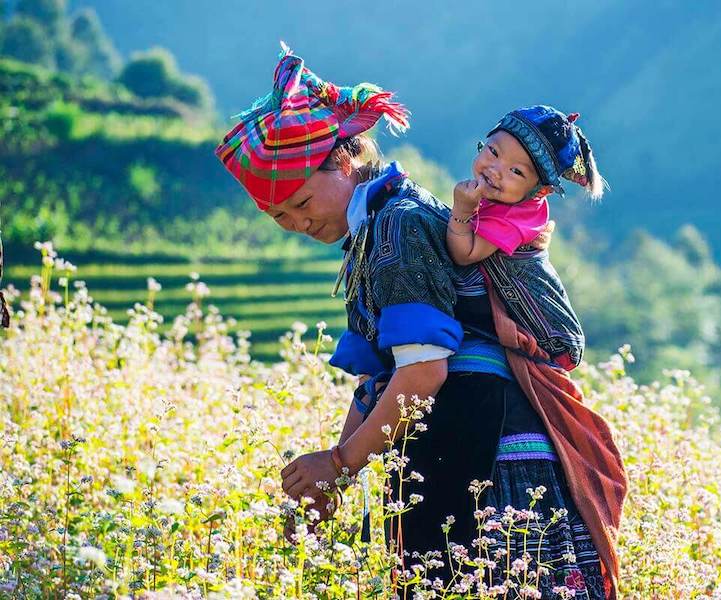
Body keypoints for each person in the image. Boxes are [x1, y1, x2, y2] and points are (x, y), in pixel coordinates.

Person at [215, 45, 626, 599]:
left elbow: (422, 374)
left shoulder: (399, 227)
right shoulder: (374, 232)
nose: (296, 222)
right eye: (279, 216)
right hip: (464, 436)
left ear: (341, 161)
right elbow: (378, 382)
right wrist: (331, 481)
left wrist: (339, 464)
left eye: (301, 200)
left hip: (489, 451)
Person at [446, 105, 606, 372]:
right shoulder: (506, 198)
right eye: (493, 152)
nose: (495, 170)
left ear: (540, 191)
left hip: (552, 337)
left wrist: (461, 210)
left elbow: (464, 253)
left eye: (516, 172)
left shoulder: (513, 217)